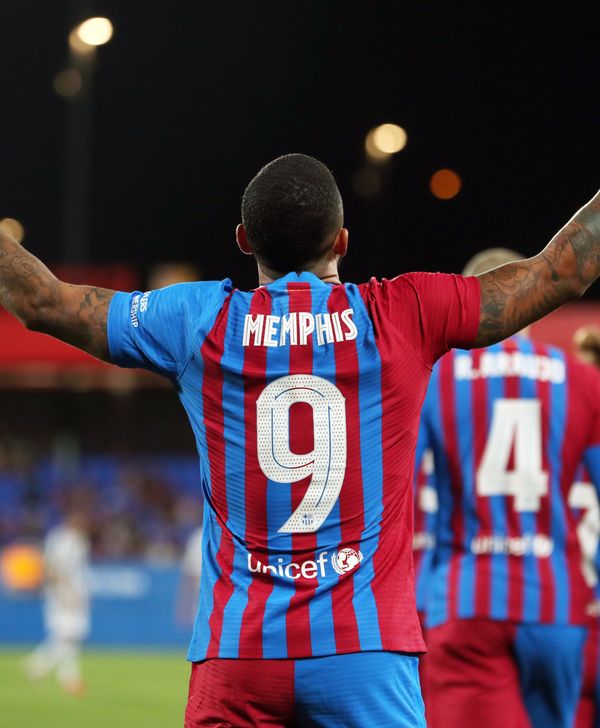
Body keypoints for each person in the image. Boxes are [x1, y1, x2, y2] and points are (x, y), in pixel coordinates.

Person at [1, 154, 600, 726]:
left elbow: (41, 301)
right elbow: (559, 272)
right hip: (365, 652)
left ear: (244, 240)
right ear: (342, 240)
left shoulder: (196, 320)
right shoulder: (403, 313)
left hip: (239, 653)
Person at [415, 248, 600, 728]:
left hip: (466, 599)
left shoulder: (434, 380)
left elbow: (399, 492)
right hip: (557, 604)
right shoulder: (581, 380)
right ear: (533, 306)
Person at [24, 510, 90, 694]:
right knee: (67, 636)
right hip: (64, 593)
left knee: (68, 637)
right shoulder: (66, 540)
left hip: (69, 592)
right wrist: (65, 592)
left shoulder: (67, 539)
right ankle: (67, 677)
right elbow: (54, 568)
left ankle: (41, 666)